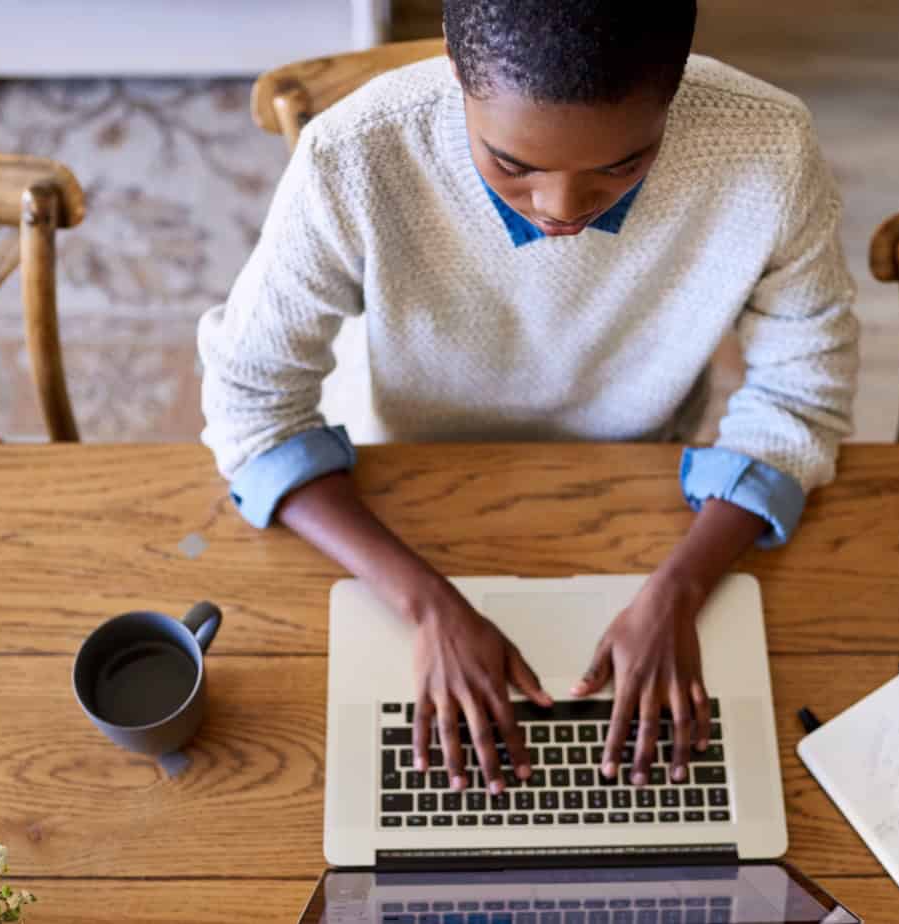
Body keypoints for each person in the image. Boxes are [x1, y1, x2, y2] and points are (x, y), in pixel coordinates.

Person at [199, 0, 857, 798]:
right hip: (403, 478)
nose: (561, 210)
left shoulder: (769, 148)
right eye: (513, 164)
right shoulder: (353, 154)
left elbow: (804, 387)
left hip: (643, 481)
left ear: (677, 90)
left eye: (622, 165)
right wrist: (427, 606)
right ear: (453, 63)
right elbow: (251, 406)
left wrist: (683, 588)